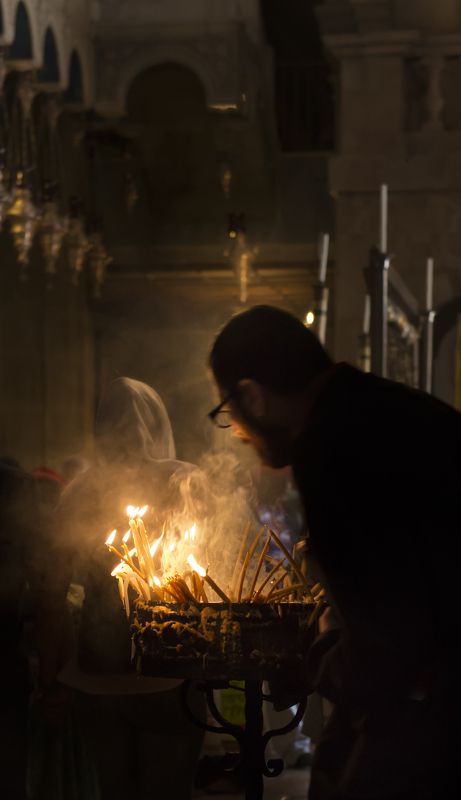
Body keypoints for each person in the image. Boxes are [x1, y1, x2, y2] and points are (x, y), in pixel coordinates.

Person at [208, 304, 461, 800]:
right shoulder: (387, 407)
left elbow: (390, 638)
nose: (237, 433)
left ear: (252, 397)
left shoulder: (329, 447)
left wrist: (321, 661)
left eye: (227, 414)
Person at [38, 377, 205, 800]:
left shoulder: (79, 492)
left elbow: (50, 591)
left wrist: (50, 675)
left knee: (115, 791)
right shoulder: (182, 479)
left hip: (98, 672)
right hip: (169, 670)